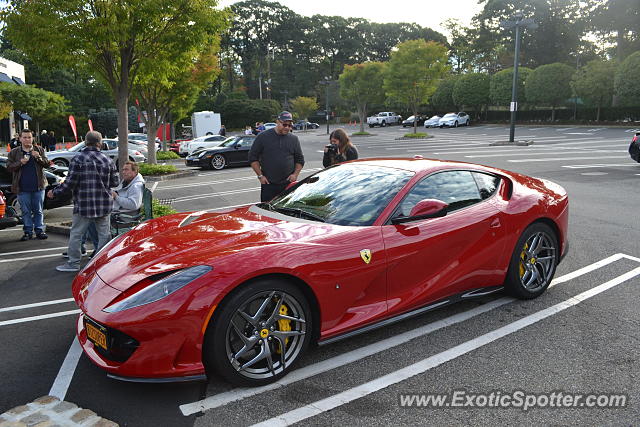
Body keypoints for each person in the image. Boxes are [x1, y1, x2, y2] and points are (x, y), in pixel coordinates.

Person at [49, 130, 119, 272]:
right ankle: (100, 263)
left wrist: (54, 192)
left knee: (76, 235)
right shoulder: (108, 160)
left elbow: (69, 185)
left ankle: (74, 263)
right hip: (103, 205)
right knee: (104, 235)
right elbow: (115, 182)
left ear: (86, 142)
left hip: (83, 205)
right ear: (100, 143)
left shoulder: (78, 159)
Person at [249, 111, 304, 202]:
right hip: (269, 184)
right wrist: (260, 176)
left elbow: (300, 159)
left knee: (287, 212)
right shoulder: (263, 137)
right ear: (277, 122)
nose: (287, 127)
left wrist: (295, 175)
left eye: (290, 125)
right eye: (284, 124)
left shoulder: (294, 139)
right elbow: (252, 158)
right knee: (267, 211)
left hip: (288, 184)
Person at [7, 129, 50, 241]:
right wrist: (20, 162)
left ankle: (39, 230)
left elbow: (47, 164)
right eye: (25, 137)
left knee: (38, 210)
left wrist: (38, 157)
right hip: (22, 187)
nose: (27, 140)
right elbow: (9, 167)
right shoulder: (14, 152)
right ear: (20, 139)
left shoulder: (39, 149)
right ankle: (28, 232)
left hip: (38, 186)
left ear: (33, 138)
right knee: (25, 211)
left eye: (29, 137)